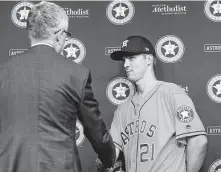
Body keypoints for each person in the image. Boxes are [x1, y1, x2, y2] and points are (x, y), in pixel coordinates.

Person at [0, 1, 115, 172]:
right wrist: (109, 159)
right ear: (60, 35)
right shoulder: (77, 73)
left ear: (31, 33)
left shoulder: (3, 71)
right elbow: (96, 130)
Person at [108, 35, 208, 172]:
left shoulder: (171, 93)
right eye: (124, 60)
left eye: (131, 58)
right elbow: (112, 152)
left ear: (148, 59)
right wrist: (106, 160)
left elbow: (198, 141)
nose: (126, 64)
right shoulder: (122, 110)